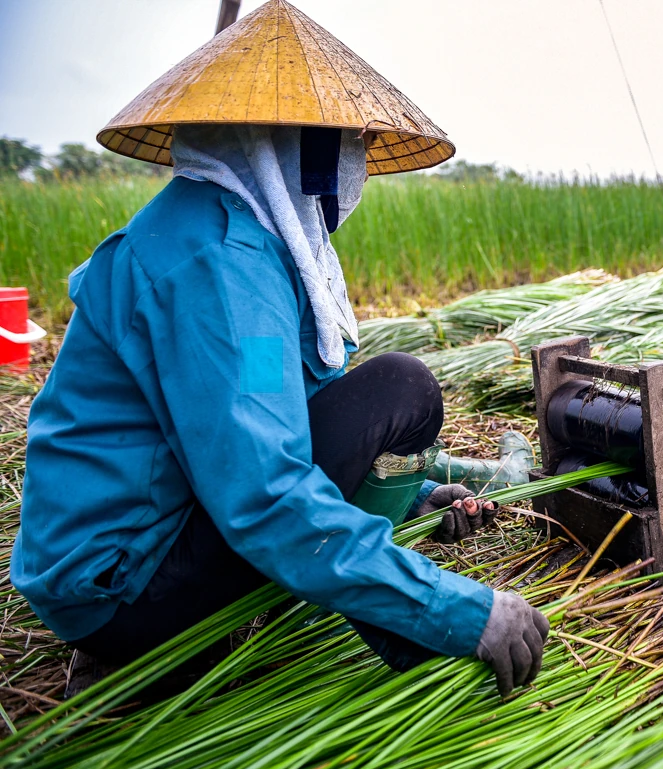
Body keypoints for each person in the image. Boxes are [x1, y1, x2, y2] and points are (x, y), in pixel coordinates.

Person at [12, 0, 547, 699]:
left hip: (120, 556)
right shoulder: (219, 266)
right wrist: (454, 610)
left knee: (379, 398)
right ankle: (394, 622)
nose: (351, 170)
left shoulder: (209, 230)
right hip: (123, 589)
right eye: (344, 147)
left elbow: (263, 425)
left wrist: (404, 497)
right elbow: (264, 492)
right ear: (303, 152)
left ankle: (372, 585)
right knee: (401, 389)